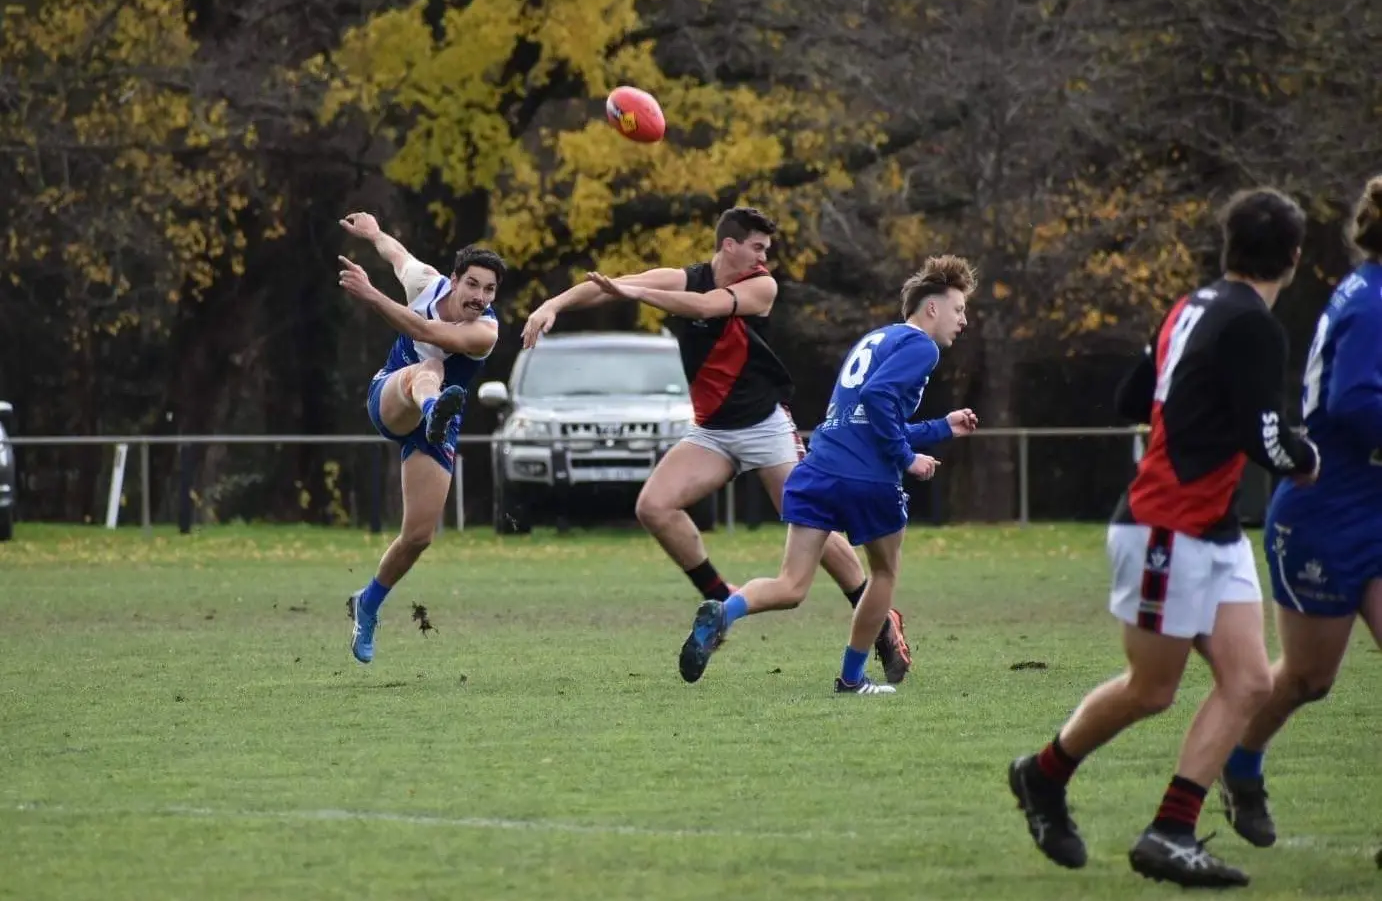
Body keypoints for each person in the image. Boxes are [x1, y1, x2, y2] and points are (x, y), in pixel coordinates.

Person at [1007, 187, 1321, 888]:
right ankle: (1042, 774)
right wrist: (1309, 457)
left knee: (1246, 681)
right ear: (1295, 257)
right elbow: (1267, 438)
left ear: (1226, 244)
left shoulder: (1192, 304)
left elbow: (1131, 397)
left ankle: (1171, 830)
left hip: (1209, 527)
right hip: (1165, 528)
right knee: (1152, 689)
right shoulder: (1255, 325)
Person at [521, 206, 913, 683]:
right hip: (711, 431)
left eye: (765, 250)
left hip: (766, 426)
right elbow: (606, 283)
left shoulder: (762, 286)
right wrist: (553, 305)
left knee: (813, 520)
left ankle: (878, 621)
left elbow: (707, 307)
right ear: (729, 245)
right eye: (757, 247)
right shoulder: (685, 276)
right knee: (654, 507)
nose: (764, 257)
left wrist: (637, 292)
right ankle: (720, 598)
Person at [674, 256, 977, 691]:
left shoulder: (877, 339)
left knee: (791, 585)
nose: (963, 321)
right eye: (959, 309)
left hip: (817, 469)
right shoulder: (921, 346)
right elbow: (877, 400)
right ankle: (852, 679)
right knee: (885, 575)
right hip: (866, 479)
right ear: (931, 308)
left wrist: (941, 428)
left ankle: (726, 612)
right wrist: (907, 459)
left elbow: (869, 414)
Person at [1219, 175, 1382, 847]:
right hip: (1327, 510)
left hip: (1370, 504)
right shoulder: (1373, 302)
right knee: (1309, 677)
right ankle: (1240, 765)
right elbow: (1355, 405)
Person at [336, 211, 505, 664]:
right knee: (428, 370)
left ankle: (367, 603)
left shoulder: (485, 331)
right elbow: (397, 256)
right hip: (391, 395)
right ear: (454, 280)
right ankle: (432, 408)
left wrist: (370, 295)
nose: (480, 297)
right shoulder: (426, 283)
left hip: (439, 423)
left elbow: (425, 330)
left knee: (418, 536)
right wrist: (373, 233)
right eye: (473, 285)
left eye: (489, 290)